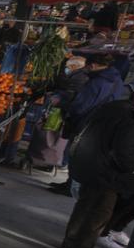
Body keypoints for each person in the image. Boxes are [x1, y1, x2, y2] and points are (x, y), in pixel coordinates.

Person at [62, 85, 134, 248]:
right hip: (107, 172)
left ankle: (72, 239)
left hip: (92, 163)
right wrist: (131, 170)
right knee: (101, 211)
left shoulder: (115, 107)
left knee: (85, 204)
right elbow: (125, 150)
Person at [49, 54, 127, 195]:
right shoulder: (117, 80)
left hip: (87, 122)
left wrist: (61, 103)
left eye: (87, 65)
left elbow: (81, 106)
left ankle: (71, 187)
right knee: (83, 156)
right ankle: (70, 185)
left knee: (76, 155)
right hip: (103, 124)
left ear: (93, 65)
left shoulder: (97, 82)